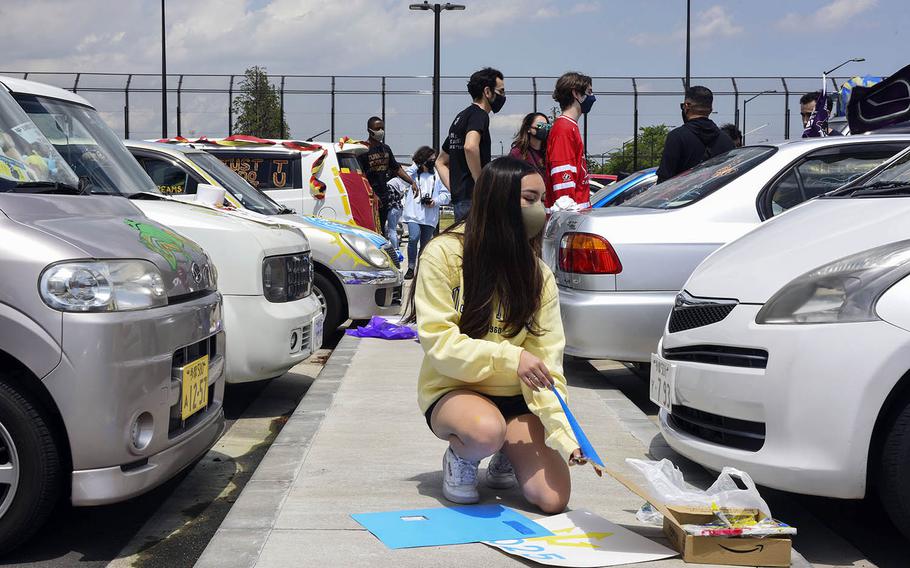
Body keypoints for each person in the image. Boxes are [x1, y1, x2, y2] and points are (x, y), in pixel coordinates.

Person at [405, 156, 587, 512]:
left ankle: (506, 450)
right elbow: (439, 344)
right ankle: (464, 454)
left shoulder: (537, 274)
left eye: (542, 200)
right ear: (498, 198)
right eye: (530, 199)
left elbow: (549, 362)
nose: (541, 210)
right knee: (485, 431)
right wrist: (512, 356)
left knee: (552, 500)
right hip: (456, 389)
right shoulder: (443, 254)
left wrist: (563, 433)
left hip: (518, 400)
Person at [436, 67, 505, 222]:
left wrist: (455, 188)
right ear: (487, 92)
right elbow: (470, 146)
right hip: (474, 200)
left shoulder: (461, 117)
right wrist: (480, 181)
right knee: (478, 244)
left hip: (461, 199)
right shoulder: (479, 115)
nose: (503, 96)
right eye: (501, 91)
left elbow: (440, 162)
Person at [656, 86, 735, 184]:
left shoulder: (677, 137)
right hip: (716, 197)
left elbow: (664, 180)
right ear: (710, 109)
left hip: (684, 198)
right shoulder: (726, 140)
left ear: (687, 106)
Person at [358, 116, 416, 236]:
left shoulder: (385, 149)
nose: (381, 131)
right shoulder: (362, 150)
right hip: (369, 198)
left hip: (384, 196)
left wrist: (412, 182)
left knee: (382, 229)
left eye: (382, 128)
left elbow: (397, 168)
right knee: (371, 229)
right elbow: (360, 175)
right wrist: (372, 193)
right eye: (377, 128)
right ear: (369, 130)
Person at [546, 72, 594, 211]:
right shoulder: (564, 128)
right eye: (589, 92)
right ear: (576, 94)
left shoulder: (569, 126)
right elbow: (563, 175)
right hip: (571, 216)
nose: (592, 97)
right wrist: (568, 214)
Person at [401, 146, 451, 280]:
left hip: (430, 216)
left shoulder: (438, 175)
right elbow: (402, 179)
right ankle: (411, 267)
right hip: (413, 214)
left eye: (434, 160)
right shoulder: (413, 174)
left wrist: (435, 201)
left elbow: (447, 194)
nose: (432, 162)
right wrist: (416, 164)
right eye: (430, 159)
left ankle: (422, 269)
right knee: (413, 238)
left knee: (425, 245)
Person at [509, 112, 550, 178]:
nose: (544, 129)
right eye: (540, 125)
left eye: (547, 126)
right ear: (528, 129)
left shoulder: (550, 152)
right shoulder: (517, 153)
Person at [385, 175, 407, 252]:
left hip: (392, 209)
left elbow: (389, 198)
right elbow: (401, 196)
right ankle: (395, 246)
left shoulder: (390, 184)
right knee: (393, 229)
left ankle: (395, 249)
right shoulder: (399, 183)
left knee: (392, 230)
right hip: (399, 208)